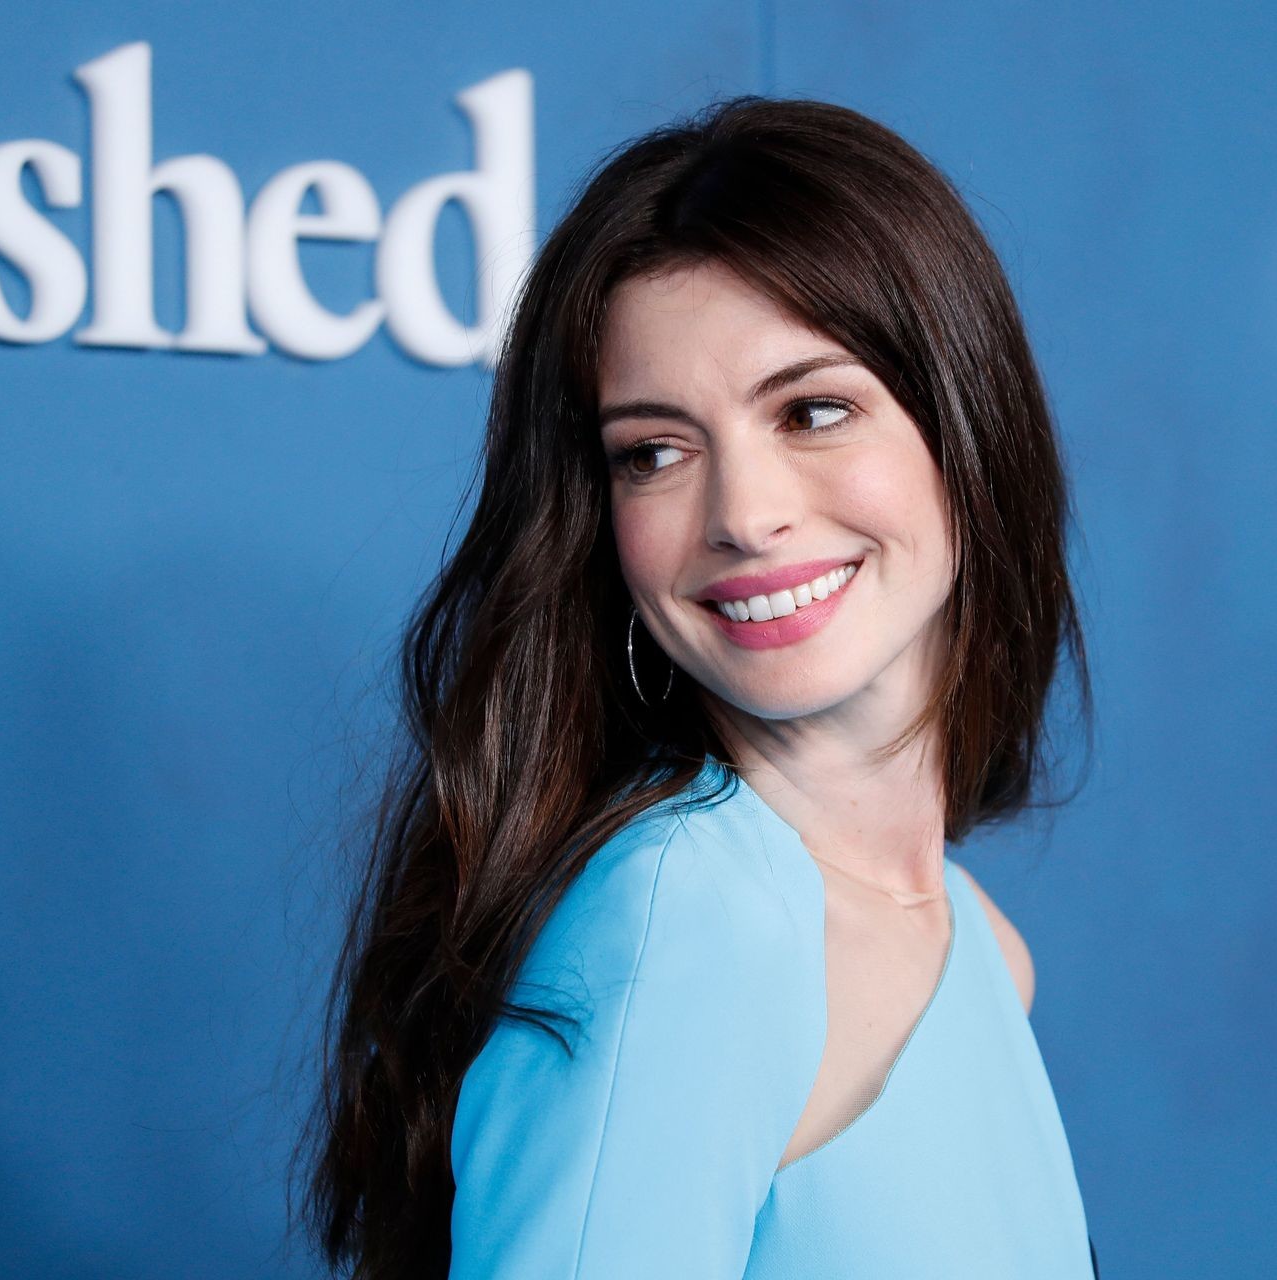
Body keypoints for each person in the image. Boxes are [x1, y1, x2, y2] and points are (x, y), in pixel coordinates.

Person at [296, 94, 1100, 1279]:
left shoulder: (981, 943)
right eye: (655, 451)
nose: (743, 514)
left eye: (812, 411)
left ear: (967, 426)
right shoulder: (688, 917)